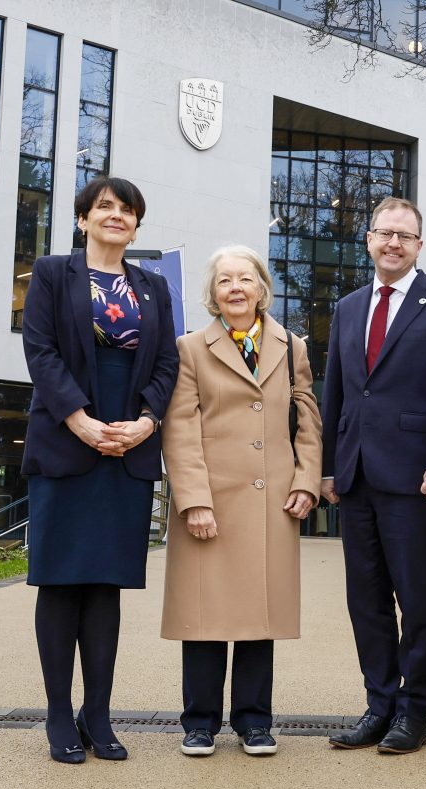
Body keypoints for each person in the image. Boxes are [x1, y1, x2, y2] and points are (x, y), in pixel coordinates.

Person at [21, 176, 179, 764]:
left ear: (137, 224)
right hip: (67, 445)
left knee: (106, 584)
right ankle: (60, 715)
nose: (117, 216)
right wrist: (79, 421)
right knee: (62, 581)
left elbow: (167, 361)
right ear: (83, 219)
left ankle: (100, 715)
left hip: (129, 445)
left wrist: (146, 422)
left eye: (128, 210)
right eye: (105, 208)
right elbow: (41, 352)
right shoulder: (51, 273)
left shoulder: (154, 287)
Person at [321, 197, 426, 754]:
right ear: (369, 240)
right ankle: (378, 705)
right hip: (356, 474)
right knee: (365, 599)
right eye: (384, 233)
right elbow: (335, 392)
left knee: (415, 597)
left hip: (416, 476)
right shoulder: (348, 306)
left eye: (404, 236)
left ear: (418, 245)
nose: (393, 243)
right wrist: (325, 470)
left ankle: (414, 714)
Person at [161, 245, 322, 758]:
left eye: (245, 279)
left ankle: (255, 722)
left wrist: (306, 480)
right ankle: (200, 722)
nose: (235, 287)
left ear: (261, 289)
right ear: (212, 293)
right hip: (212, 498)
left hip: (273, 497)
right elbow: (180, 428)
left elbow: (308, 421)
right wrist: (193, 501)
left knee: (260, 614)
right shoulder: (189, 348)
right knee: (205, 615)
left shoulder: (291, 345)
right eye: (225, 280)